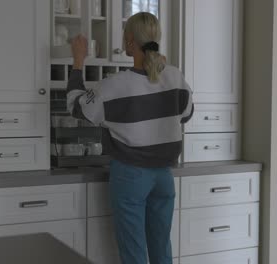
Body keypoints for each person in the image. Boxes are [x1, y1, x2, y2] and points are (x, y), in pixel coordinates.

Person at [67, 12, 194, 264]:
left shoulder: (115, 85)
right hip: (164, 177)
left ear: (129, 42)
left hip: (130, 175)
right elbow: (186, 115)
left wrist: (78, 61)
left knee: (133, 253)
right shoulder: (175, 76)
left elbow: (75, 107)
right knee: (162, 250)